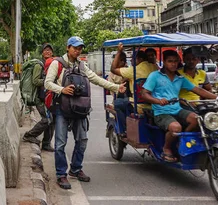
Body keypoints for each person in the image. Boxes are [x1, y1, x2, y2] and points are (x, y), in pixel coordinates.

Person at [45, 36, 126, 190]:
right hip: (62, 108)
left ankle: (75, 169)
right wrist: (62, 89)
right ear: (68, 47)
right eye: (75, 47)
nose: (78, 50)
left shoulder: (82, 65)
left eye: (80, 48)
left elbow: (95, 79)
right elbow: (47, 83)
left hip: (79, 107)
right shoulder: (58, 63)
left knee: (82, 141)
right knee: (60, 143)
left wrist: (115, 87)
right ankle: (61, 174)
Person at [140, 50, 218, 163]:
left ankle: (181, 140)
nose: (173, 64)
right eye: (170, 61)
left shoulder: (180, 78)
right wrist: (157, 101)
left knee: (197, 119)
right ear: (164, 62)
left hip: (177, 109)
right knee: (176, 127)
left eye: (175, 61)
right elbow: (144, 93)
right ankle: (167, 148)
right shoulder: (155, 76)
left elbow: (198, 90)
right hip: (161, 112)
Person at [110, 44, 156, 137]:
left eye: (133, 59)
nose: (131, 61)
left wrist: (119, 51)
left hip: (138, 105)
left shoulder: (133, 70)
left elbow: (113, 69)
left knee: (117, 103)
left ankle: (124, 129)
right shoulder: (155, 67)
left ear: (139, 59)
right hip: (155, 103)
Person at [22, 43, 55, 152]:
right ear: (42, 53)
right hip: (38, 98)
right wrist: (49, 82)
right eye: (45, 50)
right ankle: (29, 135)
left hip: (47, 97)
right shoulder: (39, 65)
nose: (48, 52)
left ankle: (46, 143)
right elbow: (35, 81)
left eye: (50, 50)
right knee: (47, 119)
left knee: (52, 120)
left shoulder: (51, 65)